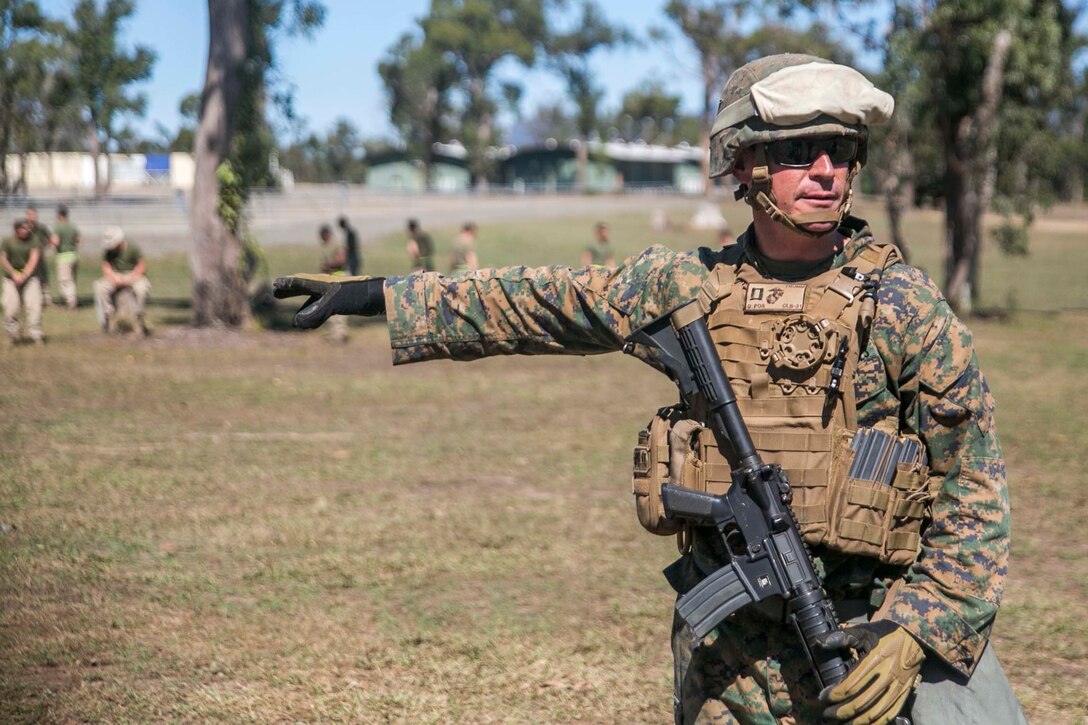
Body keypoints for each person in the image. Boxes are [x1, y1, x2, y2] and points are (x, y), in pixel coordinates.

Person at [273, 54, 1023, 724]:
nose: (827, 170)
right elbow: (537, 302)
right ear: (745, 166)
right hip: (729, 666)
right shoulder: (684, 288)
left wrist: (913, 630)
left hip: (858, 655)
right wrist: (375, 295)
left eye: (844, 150)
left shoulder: (904, 306)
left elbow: (975, 496)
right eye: (800, 151)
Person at [94, 226, 151, 335]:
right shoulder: (108, 252)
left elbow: (141, 265)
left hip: (133, 274)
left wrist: (131, 277)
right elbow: (106, 266)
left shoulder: (133, 248)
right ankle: (109, 316)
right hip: (115, 275)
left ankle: (138, 317)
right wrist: (114, 277)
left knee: (142, 289)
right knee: (101, 288)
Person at [1, 219, 44, 345]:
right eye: (23, 229)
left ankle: (36, 335)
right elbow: (3, 258)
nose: (27, 231)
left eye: (28, 229)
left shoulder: (33, 240)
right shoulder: (8, 241)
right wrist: (13, 273)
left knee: (34, 306)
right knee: (11, 307)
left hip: (30, 277)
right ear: (16, 229)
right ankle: (11, 336)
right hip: (11, 278)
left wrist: (24, 274)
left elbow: (34, 258)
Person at [318, 224, 349, 343]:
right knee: (332, 307)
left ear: (327, 234)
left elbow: (342, 260)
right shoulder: (327, 246)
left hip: (340, 278)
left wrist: (327, 266)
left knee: (339, 308)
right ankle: (335, 334)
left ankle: (339, 335)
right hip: (332, 279)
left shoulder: (337, 244)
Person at [51, 204, 82, 309]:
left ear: (59, 215)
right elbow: (78, 240)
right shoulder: (72, 226)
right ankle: (72, 299)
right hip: (73, 255)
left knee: (64, 281)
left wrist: (53, 245)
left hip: (63, 257)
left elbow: (55, 242)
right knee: (72, 280)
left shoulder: (58, 227)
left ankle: (71, 301)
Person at [25, 205, 53, 307]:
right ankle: (27, 300)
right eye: (31, 215)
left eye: (34, 215)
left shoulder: (41, 228)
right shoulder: (24, 227)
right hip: (26, 258)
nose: (33, 217)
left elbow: (51, 238)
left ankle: (46, 300)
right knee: (28, 278)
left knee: (43, 278)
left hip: (40, 257)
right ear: (27, 216)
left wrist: (45, 247)